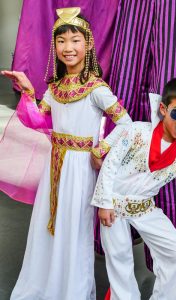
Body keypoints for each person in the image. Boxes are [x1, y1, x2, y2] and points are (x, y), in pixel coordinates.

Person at [1, 7, 131, 300]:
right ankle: (45, 284)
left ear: (87, 44)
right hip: (54, 166)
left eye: (75, 40)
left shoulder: (96, 88)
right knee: (48, 225)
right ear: (54, 46)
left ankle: (71, 290)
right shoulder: (55, 87)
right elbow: (37, 120)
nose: (68, 47)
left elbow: (126, 124)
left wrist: (102, 148)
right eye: (61, 41)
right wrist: (26, 91)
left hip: (81, 168)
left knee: (75, 229)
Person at [91, 77, 176, 300]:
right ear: (163, 109)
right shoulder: (136, 131)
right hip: (114, 205)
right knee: (120, 258)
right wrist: (104, 203)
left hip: (145, 208)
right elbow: (110, 164)